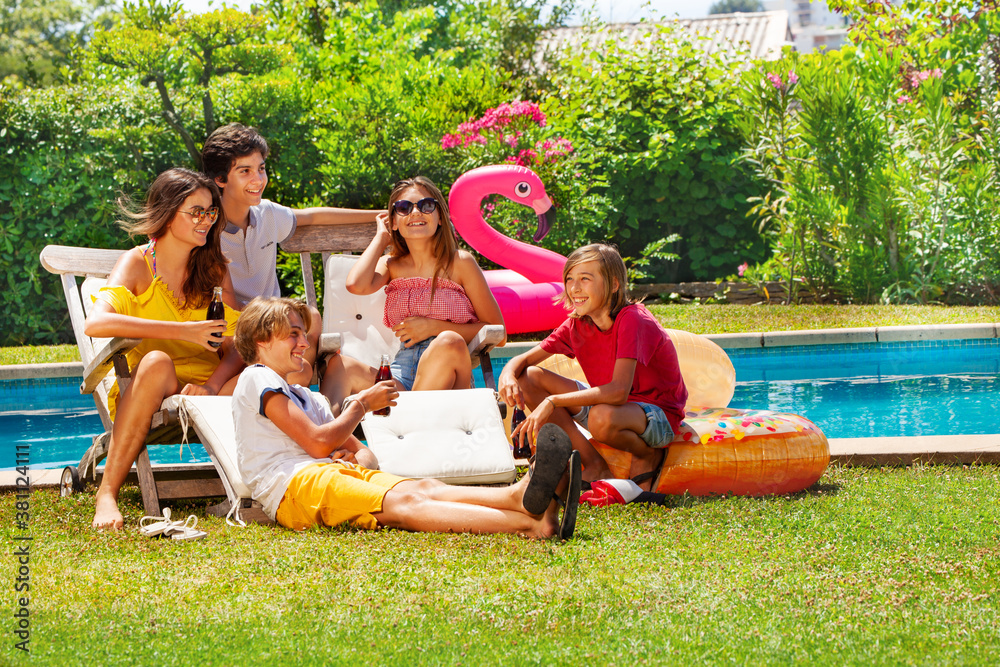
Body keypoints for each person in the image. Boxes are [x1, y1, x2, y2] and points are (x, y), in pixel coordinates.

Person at [232, 297, 579, 539]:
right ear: (262, 339)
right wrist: (360, 406)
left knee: (422, 488)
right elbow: (317, 441)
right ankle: (528, 526)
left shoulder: (310, 397)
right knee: (406, 504)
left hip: (328, 475)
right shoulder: (258, 376)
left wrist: (354, 457)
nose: (303, 343)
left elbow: (363, 454)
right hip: (294, 489)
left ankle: (518, 498)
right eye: (292, 334)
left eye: (302, 334)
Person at [84, 168, 243, 530]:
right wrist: (184, 332)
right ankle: (107, 493)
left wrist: (213, 385)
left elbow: (235, 344)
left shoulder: (214, 269)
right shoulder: (137, 263)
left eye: (211, 212)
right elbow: (97, 323)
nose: (206, 220)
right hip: (149, 389)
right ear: (169, 213)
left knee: (265, 364)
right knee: (157, 361)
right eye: (196, 212)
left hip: (207, 387)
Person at [201, 122, 383, 386]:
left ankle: (291, 379)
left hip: (277, 322)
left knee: (313, 317)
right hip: (236, 327)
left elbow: (313, 216)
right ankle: (284, 383)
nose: (258, 180)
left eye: (261, 169)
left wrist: (379, 215)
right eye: (245, 171)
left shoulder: (267, 214)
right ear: (220, 179)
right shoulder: (206, 229)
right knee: (262, 342)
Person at [497, 243, 688, 489]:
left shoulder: (633, 319)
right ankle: (594, 465)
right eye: (569, 279)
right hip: (611, 407)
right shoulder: (578, 324)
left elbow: (619, 392)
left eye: (585, 279)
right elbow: (523, 361)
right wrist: (508, 374)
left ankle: (647, 454)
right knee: (528, 378)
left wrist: (552, 401)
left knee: (600, 417)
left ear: (614, 284)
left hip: (657, 415)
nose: (574, 288)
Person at [323, 176, 504, 407]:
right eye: (403, 208)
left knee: (449, 341)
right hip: (402, 375)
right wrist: (380, 238)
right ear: (394, 222)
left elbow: (497, 332)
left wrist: (434, 327)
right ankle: (331, 438)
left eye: (427, 205)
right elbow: (355, 285)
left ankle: (408, 423)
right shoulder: (391, 265)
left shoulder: (460, 263)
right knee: (341, 366)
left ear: (440, 218)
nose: (416, 212)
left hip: (445, 372)